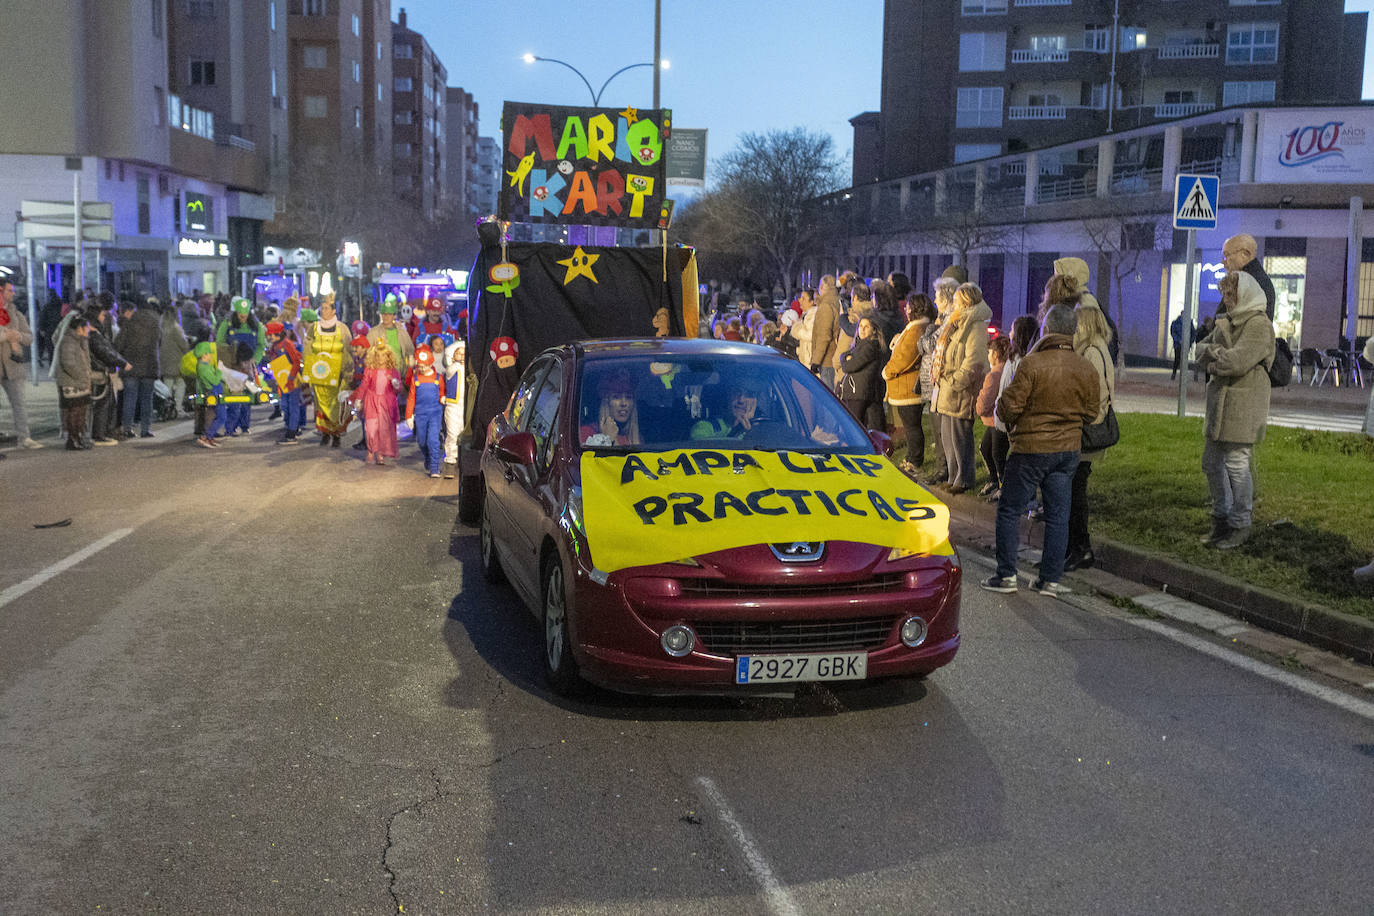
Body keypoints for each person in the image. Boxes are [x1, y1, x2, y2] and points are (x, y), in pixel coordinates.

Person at [982, 304, 1100, 596]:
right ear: (1073, 331)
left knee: (1010, 509)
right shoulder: (1085, 367)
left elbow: (1009, 406)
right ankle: (1050, 579)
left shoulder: (1032, 364)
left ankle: (1007, 575)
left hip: (1031, 448)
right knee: (1059, 516)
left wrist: (1009, 418)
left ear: (1045, 329)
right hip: (1067, 450)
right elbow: (1092, 412)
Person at [1196, 271, 1274, 550]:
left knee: (1237, 465)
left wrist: (1213, 357)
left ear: (1244, 295)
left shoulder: (1258, 324)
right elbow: (1197, 351)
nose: (1226, 301)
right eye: (1225, 295)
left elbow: (1237, 362)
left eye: (1231, 295)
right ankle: (1221, 518)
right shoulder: (1228, 321)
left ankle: (1240, 523)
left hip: (1243, 404)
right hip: (1220, 404)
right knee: (1211, 463)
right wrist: (1216, 354)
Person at [1065, 299, 1116, 571]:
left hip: (1085, 431)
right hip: (1084, 428)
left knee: (1075, 493)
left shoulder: (1092, 352)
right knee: (1074, 491)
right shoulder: (1094, 349)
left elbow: (1094, 393)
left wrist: (1080, 417)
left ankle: (1081, 549)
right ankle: (1074, 548)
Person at [933, 282, 991, 494]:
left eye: (957, 301)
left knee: (960, 437)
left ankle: (964, 479)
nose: (953, 305)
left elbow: (974, 361)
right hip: (948, 388)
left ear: (966, 302)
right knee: (948, 436)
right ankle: (952, 476)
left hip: (960, 391)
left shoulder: (975, 326)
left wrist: (955, 380)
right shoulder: (957, 323)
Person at [992, 316, 1039, 502]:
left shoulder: (1024, 361)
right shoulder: (1013, 357)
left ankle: (1024, 496)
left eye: (1012, 329)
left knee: (1018, 460)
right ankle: (1008, 488)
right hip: (1003, 414)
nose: (1009, 332)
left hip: (1014, 419)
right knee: (999, 453)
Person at [884, 294, 933, 474]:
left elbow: (904, 357)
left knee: (912, 426)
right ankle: (911, 457)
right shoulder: (915, 328)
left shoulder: (916, 330)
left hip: (908, 389)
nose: (905, 309)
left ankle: (915, 460)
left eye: (908, 307)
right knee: (911, 425)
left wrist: (887, 371)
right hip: (907, 387)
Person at [922, 274, 960, 486]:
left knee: (941, 430)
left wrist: (928, 330)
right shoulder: (944, 320)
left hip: (939, 382)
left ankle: (943, 471)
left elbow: (929, 345)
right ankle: (942, 469)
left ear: (945, 298)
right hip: (935, 382)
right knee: (939, 430)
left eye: (937, 296)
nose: (934, 301)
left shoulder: (947, 321)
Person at [303, 297, 354, 447]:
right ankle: (325, 433)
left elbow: (348, 350)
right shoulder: (314, 327)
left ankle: (336, 434)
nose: (323, 311)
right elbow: (307, 348)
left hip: (337, 374)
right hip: (318, 372)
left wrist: (348, 370)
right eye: (322, 308)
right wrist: (307, 367)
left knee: (335, 405)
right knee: (321, 404)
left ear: (333, 311)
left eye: (326, 308)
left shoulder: (342, 328)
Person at [0, 279, 41, 449]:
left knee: (19, 403)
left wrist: (17, 336)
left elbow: (29, 336)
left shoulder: (15, 312)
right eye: (10, 290)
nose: (13, 293)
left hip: (13, 365)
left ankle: (24, 438)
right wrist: (5, 336)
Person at [114, 296, 162, 439]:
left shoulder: (130, 321)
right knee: (147, 399)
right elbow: (160, 342)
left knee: (130, 398)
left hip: (131, 366)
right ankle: (146, 429)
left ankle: (127, 428)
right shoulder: (156, 321)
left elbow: (119, 344)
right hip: (150, 365)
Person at [357, 339, 402, 465]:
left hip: (387, 403)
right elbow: (364, 385)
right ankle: (371, 449)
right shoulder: (370, 370)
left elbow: (399, 389)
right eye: (377, 355)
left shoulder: (393, 372)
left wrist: (395, 383)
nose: (380, 358)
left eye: (384, 355)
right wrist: (359, 399)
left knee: (384, 429)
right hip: (371, 401)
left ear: (388, 357)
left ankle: (380, 453)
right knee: (371, 428)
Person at [977, 336, 1012, 499]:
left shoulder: (994, 375)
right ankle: (994, 481)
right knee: (986, 448)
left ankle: (1003, 485)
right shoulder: (1007, 369)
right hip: (999, 421)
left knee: (997, 454)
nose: (988, 354)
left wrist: (978, 405)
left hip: (995, 421)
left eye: (990, 351)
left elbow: (984, 403)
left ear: (996, 354)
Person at [839, 316, 885, 429]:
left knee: (856, 426)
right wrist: (846, 358)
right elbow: (844, 355)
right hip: (856, 392)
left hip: (860, 392)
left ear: (873, 330)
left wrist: (848, 359)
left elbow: (850, 366)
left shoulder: (870, 346)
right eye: (860, 326)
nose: (862, 329)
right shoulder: (860, 345)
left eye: (866, 327)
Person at [406, 344, 445, 476]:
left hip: (435, 413)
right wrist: (409, 416)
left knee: (433, 440)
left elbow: (442, 393)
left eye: (424, 366)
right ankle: (428, 458)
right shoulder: (415, 379)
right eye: (419, 366)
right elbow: (411, 398)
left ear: (430, 364)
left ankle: (435, 468)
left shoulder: (438, 378)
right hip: (420, 414)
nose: (421, 369)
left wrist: (443, 398)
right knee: (422, 441)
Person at [56, 316, 93, 450]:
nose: (89, 330)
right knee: (74, 411)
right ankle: (72, 439)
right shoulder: (68, 342)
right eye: (86, 328)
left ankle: (78, 437)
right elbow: (68, 364)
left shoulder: (80, 341)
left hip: (80, 382)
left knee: (81, 411)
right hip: (71, 383)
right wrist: (82, 378)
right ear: (79, 329)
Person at [265, 321, 304, 444]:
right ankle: (290, 428)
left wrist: (291, 378)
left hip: (290, 381)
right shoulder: (276, 345)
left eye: (270, 335)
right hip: (283, 380)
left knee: (292, 406)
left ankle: (291, 433)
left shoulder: (286, 344)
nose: (269, 337)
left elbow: (296, 362)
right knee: (286, 406)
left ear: (276, 334)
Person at [1223, 234, 1276, 321]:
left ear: (1245, 254)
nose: (1224, 262)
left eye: (1227, 255)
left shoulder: (1245, 283)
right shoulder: (1259, 279)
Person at [582, 370, 641, 446]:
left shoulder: (636, 438)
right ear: (606, 402)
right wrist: (607, 439)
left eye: (629, 397)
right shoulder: (587, 433)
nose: (624, 403)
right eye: (616, 397)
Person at [691, 380, 761, 440]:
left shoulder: (763, 430)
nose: (741, 400)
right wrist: (740, 432)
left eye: (749, 394)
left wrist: (753, 431)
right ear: (728, 395)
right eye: (736, 392)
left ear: (755, 401)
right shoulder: (705, 426)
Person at [158, 303, 191, 418]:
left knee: (167, 385)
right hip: (176, 360)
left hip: (163, 360)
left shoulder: (160, 326)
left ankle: (167, 408)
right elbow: (184, 345)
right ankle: (177, 408)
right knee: (181, 384)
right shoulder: (176, 327)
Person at [441, 335, 467, 478]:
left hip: (466, 406)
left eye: (464, 353)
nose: (462, 356)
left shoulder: (469, 368)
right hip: (453, 406)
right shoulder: (452, 368)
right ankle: (450, 462)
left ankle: (462, 461)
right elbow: (451, 370)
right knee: (452, 434)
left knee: (464, 433)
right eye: (459, 353)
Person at [193, 341, 225, 448]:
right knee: (221, 417)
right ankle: (206, 437)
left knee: (218, 416)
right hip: (214, 393)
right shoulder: (203, 368)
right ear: (203, 355)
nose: (210, 355)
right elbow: (215, 381)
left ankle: (209, 437)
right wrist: (220, 371)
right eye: (209, 353)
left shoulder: (204, 366)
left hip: (215, 393)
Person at [810, 274, 841, 389]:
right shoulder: (837, 302)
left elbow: (824, 336)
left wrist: (816, 361)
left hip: (827, 360)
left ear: (822, 287)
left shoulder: (825, 306)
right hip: (834, 356)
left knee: (827, 395)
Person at [1170, 313, 1195, 381]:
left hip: (1186, 344)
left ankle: (1183, 375)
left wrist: (1190, 341)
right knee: (1177, 359)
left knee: (1184, 359)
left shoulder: (1189, 323)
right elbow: (1173, 332)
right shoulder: (1176, 323)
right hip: (1178, 344)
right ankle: (1174, 373)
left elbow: (1193, 333)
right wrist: (1178, 340)